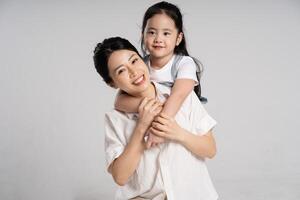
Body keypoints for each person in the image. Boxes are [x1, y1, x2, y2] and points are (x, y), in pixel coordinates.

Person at [93, 36, 218, 200]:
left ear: (143, 59)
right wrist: (141, 128)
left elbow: (210, 149)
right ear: (112, 83)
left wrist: (177, 133)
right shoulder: (115, 118)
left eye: (134, 61)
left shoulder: (181, 97)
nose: (133, 72)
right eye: (121, 71)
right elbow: (120, 177)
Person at [114, 1, 207, 147]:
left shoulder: (184, 63)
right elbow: (119, 102)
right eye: (151, 32)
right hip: (148, 125)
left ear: (178, 38)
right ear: (143, 35)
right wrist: (151, 107)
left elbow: (178, 95)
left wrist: (158, 130)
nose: (158, 39)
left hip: (177, 123)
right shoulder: (139, 65)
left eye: (166, 33)